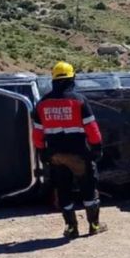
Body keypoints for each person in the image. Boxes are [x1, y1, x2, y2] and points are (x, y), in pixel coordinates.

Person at [33, 61, 107, 239]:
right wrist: (97, 148)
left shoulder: (42, 104)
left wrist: (42, 152)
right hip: (79, 154)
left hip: (56, 155)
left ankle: (71, 227)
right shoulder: (79, 100)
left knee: (63, 190)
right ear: (71, 78)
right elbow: (92, 128)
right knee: (88, 188)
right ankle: (94, 225)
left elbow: (37, 133)